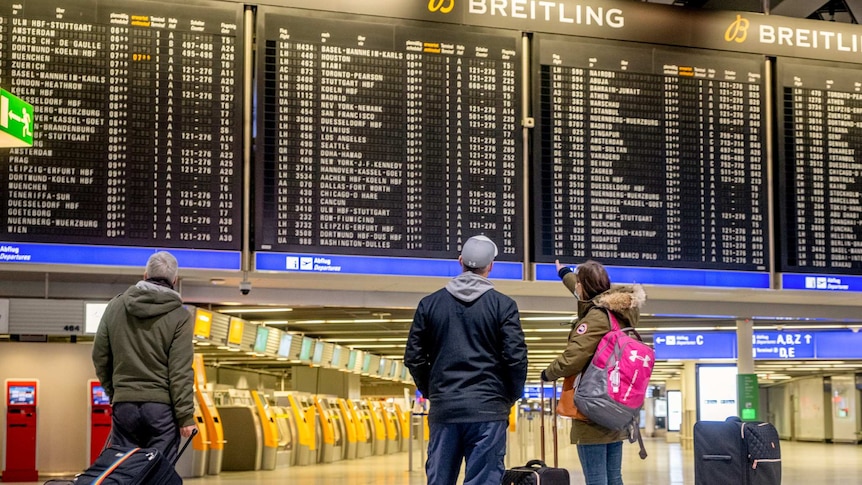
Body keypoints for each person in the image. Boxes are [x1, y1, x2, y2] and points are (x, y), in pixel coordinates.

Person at [404, 235, 528, 485]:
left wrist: (433, 391)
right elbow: (516, 357)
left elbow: (414, 357)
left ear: (460, 261)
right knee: (484, 480)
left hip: (445, 409)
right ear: (490, 266)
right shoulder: (503, 305)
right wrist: (509, 396)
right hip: (488, 409)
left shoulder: (429, 304)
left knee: (439, 479)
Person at [540, 259, 646, 485]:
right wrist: (564, 273)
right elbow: (584, 293)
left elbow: (574, 357)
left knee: (596, 478)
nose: (575, 287)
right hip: (615, 405)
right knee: (614, 476)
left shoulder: (595, 318)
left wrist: (548, 373)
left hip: (592, 408)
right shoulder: (617, 313)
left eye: (578, 283)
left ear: (584, 286)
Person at [92, 251, 197, 463]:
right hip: (161, 411)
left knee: (124, 470)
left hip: (125, 407)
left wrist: (117, 393)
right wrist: (185, 416)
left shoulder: (116, 306)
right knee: (157, 472)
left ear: (144, 274)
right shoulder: (180, 316)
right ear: (175, 280)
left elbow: (100, 356)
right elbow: (180, 371)